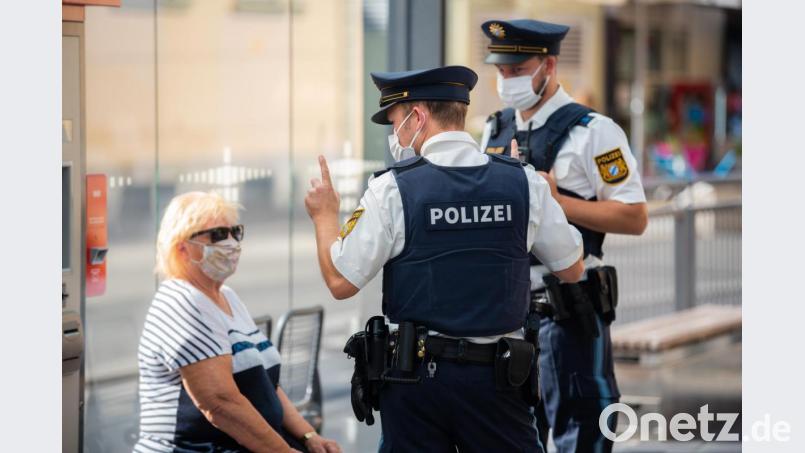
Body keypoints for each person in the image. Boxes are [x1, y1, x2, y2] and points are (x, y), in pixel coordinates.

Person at [304, 65, 585, 453]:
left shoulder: (392, 189)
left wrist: (324, 217)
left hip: (417, 386)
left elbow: (340, 281)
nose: (394, 135)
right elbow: (572, 268)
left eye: (396, 122)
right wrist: (530, 191)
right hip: (500, 381)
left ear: (417, 117)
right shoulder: (523, 181)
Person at [479, 19, 649, 453]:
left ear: (548, 66)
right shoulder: (493, 130)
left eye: (517, 70)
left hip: (569, 310)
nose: (506, 80)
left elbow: (634, 216)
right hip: (509, 313)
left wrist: (555, 201)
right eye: (501, 70)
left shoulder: (595, 131)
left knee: (584, 432)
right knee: (512, 436)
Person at [135, 191, 341, 453]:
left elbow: (267, 385)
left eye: (235, 232)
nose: (231, 242)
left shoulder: (227, 297)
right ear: (182, 247)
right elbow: (221, 404)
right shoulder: (181, 301)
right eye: (218, 234)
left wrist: (309, 436)